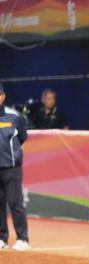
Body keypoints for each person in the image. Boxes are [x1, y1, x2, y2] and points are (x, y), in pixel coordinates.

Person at [0, 83, 30, 251]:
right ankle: (1, 238)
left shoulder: (14, 116)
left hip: (11, 168)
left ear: (2, 96)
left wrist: (13, 156)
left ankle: (23, 239)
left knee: (15, 203)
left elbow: (23, 137)